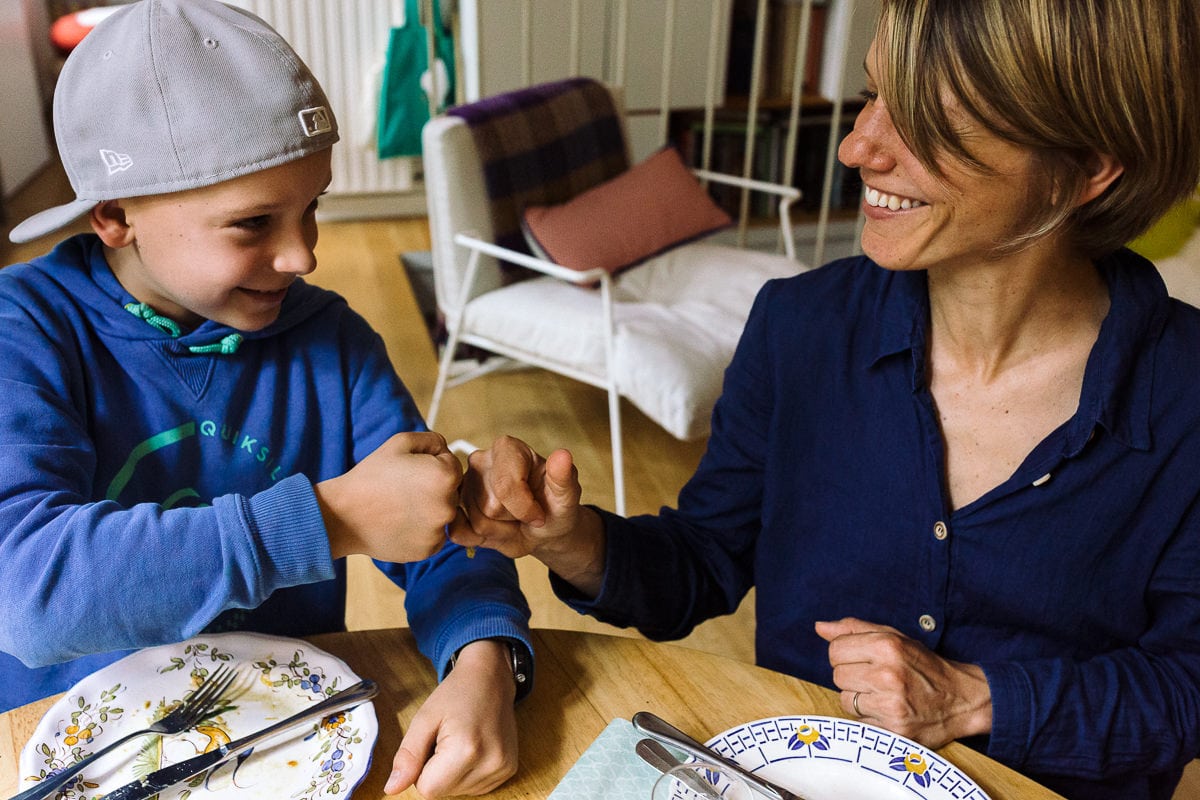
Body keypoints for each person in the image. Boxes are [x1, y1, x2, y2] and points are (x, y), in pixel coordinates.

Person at [457, 1, 1200, 798]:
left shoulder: (1185, 395)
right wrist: (566, 537)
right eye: (872, 95)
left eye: (928, 121)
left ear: (1089, 165)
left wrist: (973, 698)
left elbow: (1187, 688)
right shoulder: (800, 325)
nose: (858, 147)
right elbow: (704, 560)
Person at [0, 1, 532, 796]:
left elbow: (440, 531)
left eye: (311, 205)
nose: (303, 253)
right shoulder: (26, 328)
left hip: (294, 748)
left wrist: (482, 657)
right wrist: (333, 519)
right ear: (115, 214)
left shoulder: (333, 340)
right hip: (75, 753)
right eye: (253, 223)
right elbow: (30, 593)